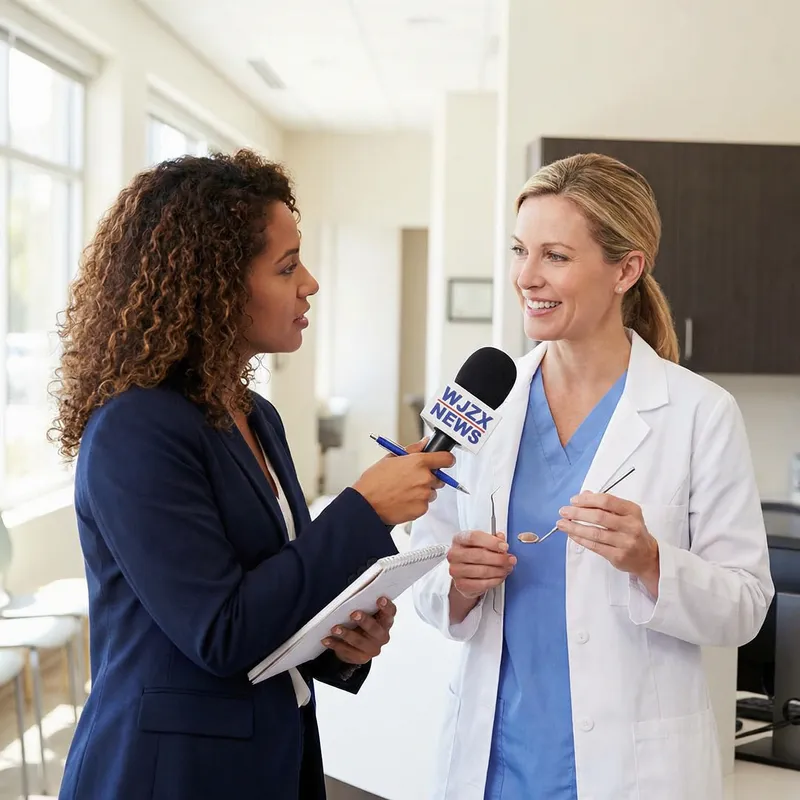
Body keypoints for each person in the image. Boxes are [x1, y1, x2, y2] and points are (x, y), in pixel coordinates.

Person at [51, 150, 455, 800]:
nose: (311, 284)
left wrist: (339, 644)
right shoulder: (135, 430)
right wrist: (364, 509)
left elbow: (276, 589)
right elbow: (220, 632)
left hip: (273, 753)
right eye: (288, 267)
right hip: (168, 774)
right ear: (212, 285)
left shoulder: (254, 416)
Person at [410, 153, 774, 800]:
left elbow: (744, 607)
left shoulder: (700, 413)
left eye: (555, 255)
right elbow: (425, 569)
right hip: (493, 764)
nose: (526, 276)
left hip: (632, 773)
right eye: (520, 250)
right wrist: (457, 581)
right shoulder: (478, 398)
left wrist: (650, 560)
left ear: (625, 269)